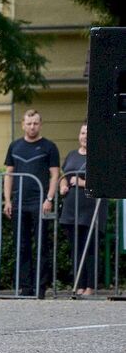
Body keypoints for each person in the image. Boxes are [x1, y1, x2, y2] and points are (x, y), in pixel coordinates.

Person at [3, 109, 60, 298]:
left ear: (40, 124)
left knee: (42, 246)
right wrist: (7, 200)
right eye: (29, 123)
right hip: (19, 203)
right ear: (23, 125)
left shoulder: (49, 147)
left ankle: (41, 288)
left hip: (40, 203)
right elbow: (9, 174)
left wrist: (49, 198)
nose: (32, 126)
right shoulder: (15, 146)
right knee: (22, 246)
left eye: (35, 123)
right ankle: (25, 287)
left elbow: (54, 175)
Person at [59, 123, 107, 295]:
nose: (85, 136)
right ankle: (78, 284)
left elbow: (102, 181)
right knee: (76, 249)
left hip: (92, 210)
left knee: (91, 249)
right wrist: (63, 186)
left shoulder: (99, 156)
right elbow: (64, 176)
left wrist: (80, 183)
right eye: (82, 132)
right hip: (72, 210)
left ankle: (90, 286)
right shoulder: (72, 155)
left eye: (88, 133)